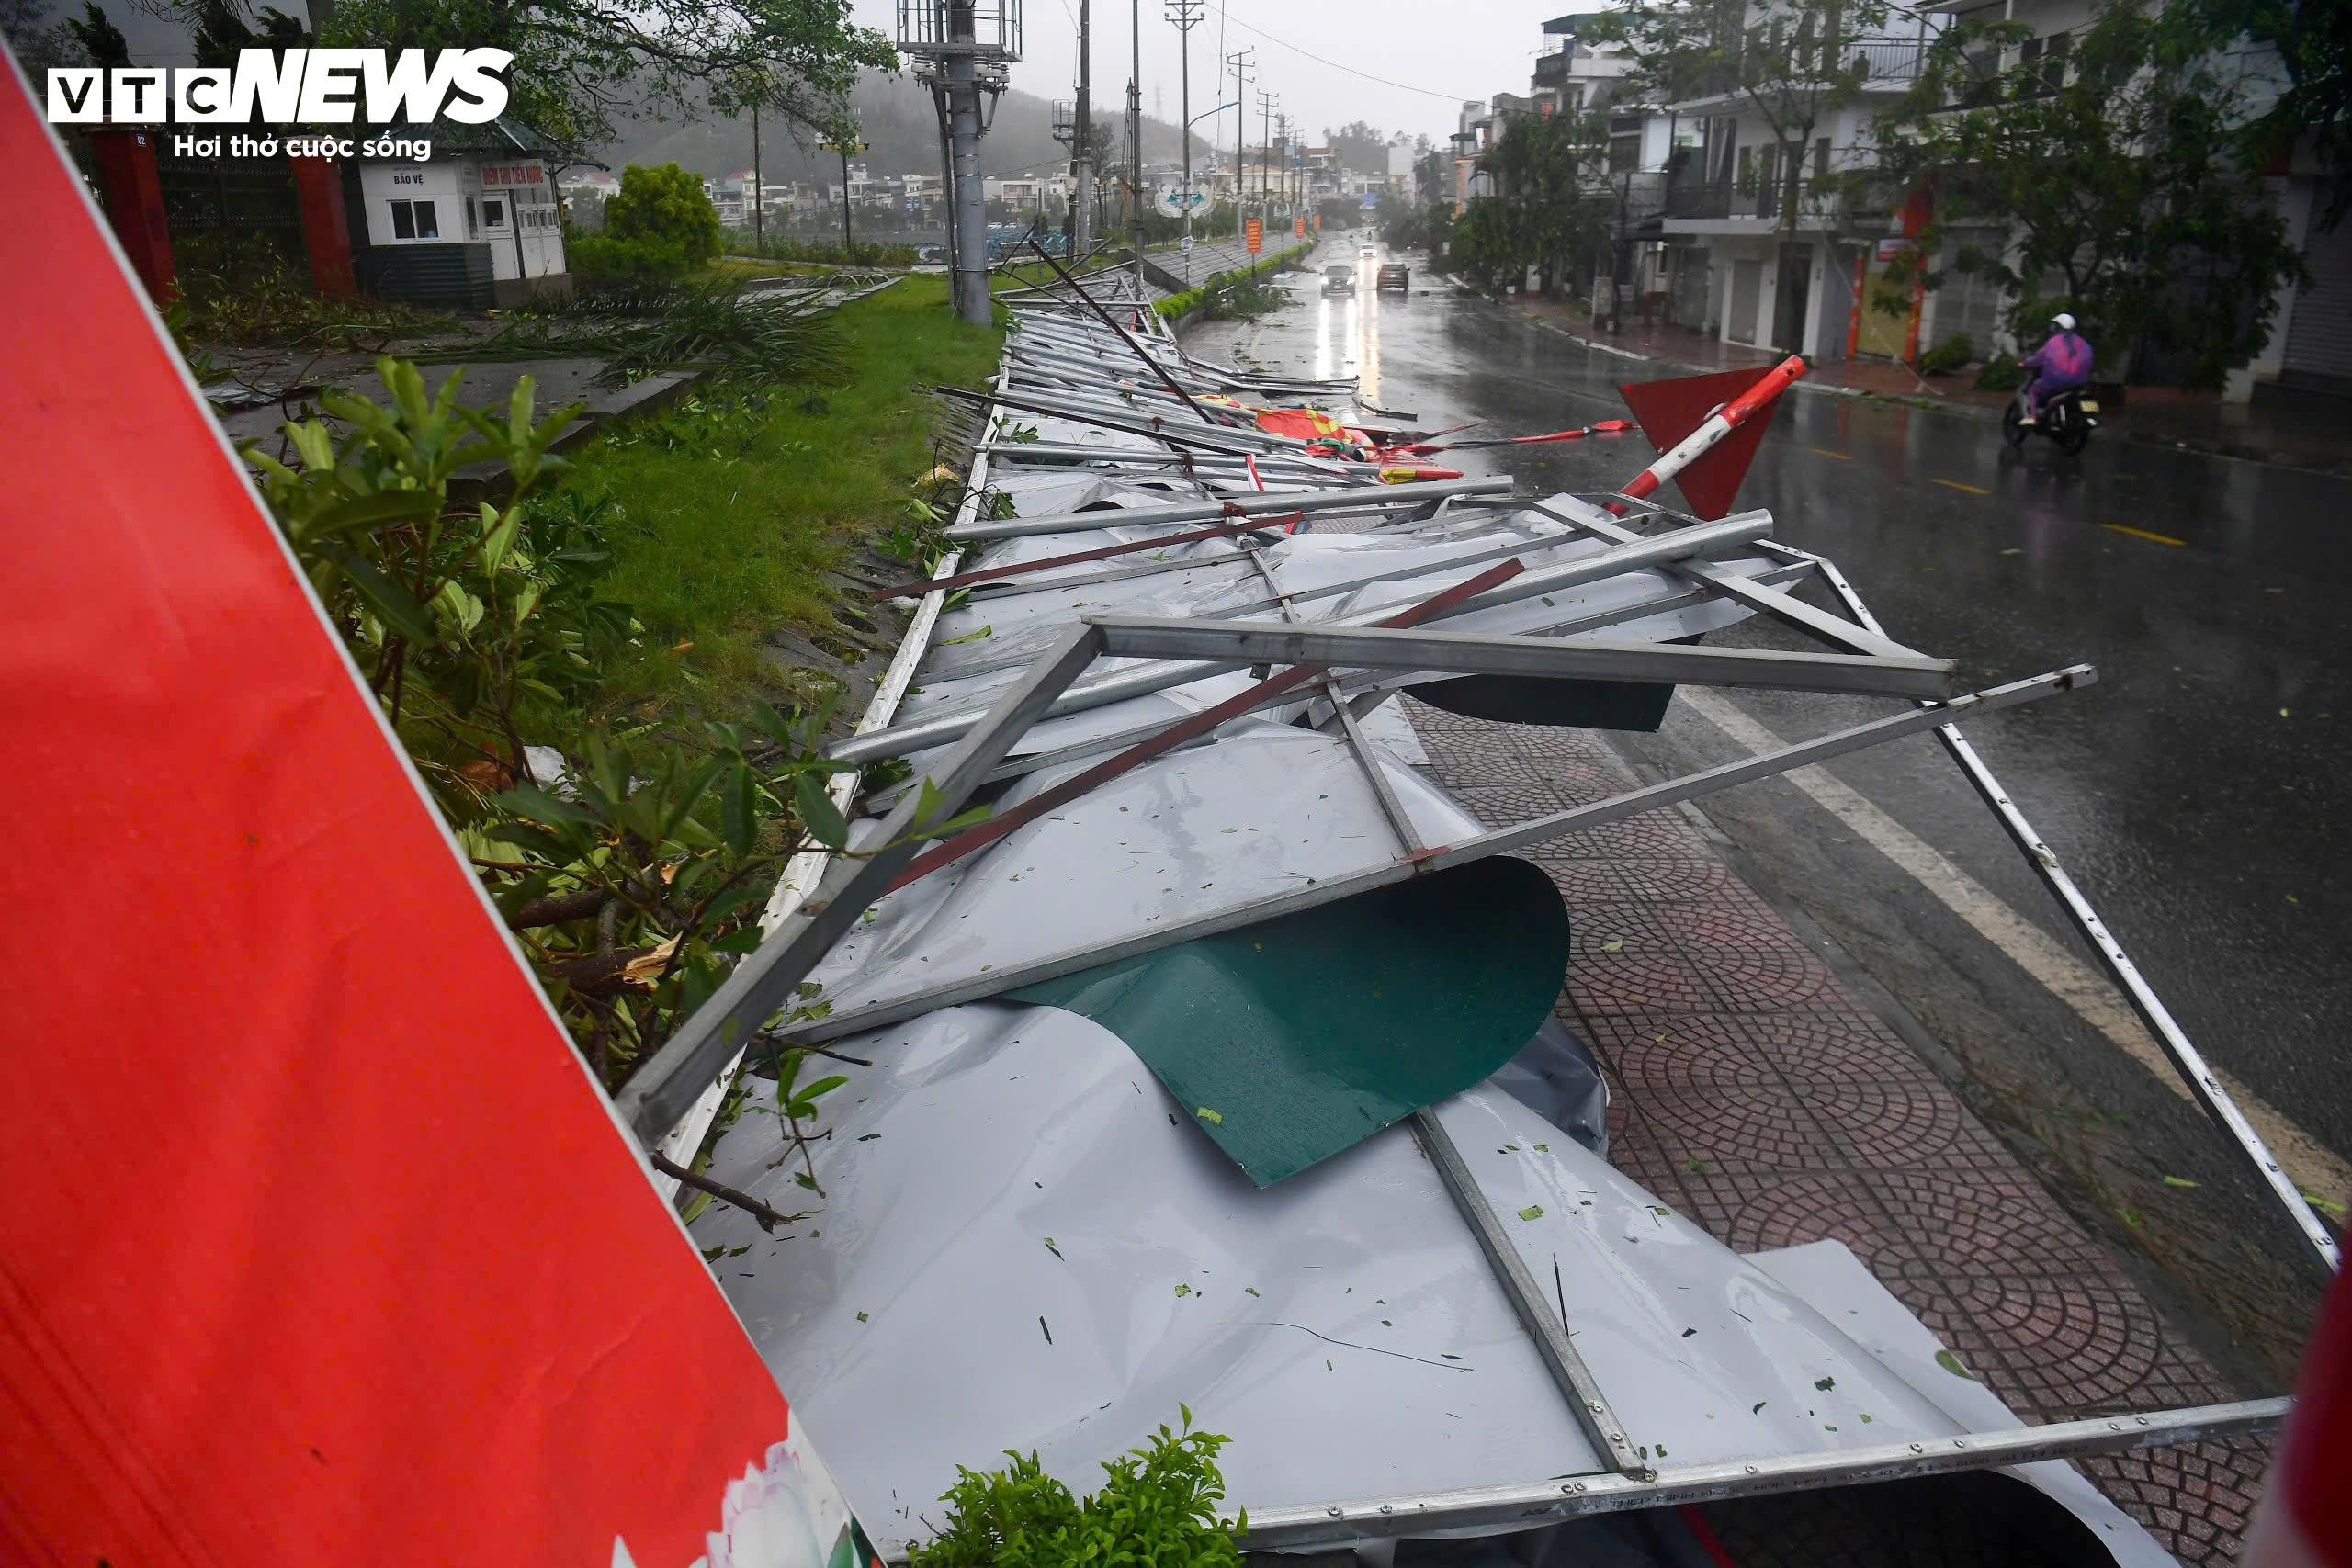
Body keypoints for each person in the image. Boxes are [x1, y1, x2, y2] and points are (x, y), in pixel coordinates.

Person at [2020, 311, 2094, 420]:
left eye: (2055, 326)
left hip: (2057, 382)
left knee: (2033, 389)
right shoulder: (2082, 343)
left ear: (2059, 327)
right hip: (2078, 384)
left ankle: (2032, 416)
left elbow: (2039, 358)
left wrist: (2025, 363)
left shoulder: (2054, 342)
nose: (2053, 329)